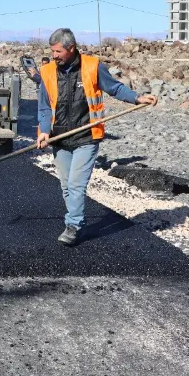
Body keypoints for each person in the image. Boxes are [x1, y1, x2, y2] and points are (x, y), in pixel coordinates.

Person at [37, 28, 157, 246]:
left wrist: (137, 98)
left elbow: (115, 88)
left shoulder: (93, 66)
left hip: (87, 136)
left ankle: (73, 226)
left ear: (71, 48)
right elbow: (45, 108)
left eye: (57, 51)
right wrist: (44, 131)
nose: (54, 56)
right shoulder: (46, 72)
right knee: (66, 185)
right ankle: (76, 220)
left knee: (76, 184)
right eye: (52, 51)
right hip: (59, 139)